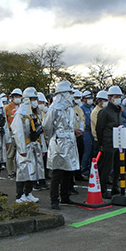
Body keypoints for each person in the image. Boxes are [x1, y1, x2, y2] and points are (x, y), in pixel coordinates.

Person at [43, 80, 79, 210]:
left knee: (69, 170)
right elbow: (47, 126)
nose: (70, 94)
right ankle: (54, 200)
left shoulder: (70, 108)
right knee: (57, 172)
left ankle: (65, 196)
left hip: (69, 140)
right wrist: (52, 137)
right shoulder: (53, 108)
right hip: (58, 141)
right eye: (69, 92)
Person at [11, 87, 45, 203]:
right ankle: (19, 195)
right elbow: (17, 131)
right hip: (25, 146)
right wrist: (21, 148)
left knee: (33, 171)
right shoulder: (20, 114)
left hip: (35, 146)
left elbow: (40, 131)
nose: (35, 101)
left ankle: (28, 192)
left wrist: (43, 148)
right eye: (32, 99)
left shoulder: (36, 114)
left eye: (36, 98)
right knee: (22, 171)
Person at [96, 86, 123, 199]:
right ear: (110, 98)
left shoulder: (118, 111)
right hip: (108, 142)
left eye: (119, 97)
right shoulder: (105, 112)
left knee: (118, 166)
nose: (118, 99)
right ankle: (102, 189)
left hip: (118, 142)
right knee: (106, 167)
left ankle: (115, 187)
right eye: (116, 97)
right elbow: (99, 128)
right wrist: (101, 144)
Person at [4, 88, 22, 179]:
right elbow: (5, 121)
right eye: (15, 96)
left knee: (18, 153)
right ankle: (10, 171)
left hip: (20, 132)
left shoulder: (22, 107)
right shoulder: (7, 108)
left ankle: (17, 170)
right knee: (10, 154)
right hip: (11, 132)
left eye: (19, 96)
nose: (17, 98)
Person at [80, 90, 95, 179]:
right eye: (88, 98)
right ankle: (84, 170)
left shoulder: (92, 107)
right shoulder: (82, 108)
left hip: (92, 130)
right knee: (87, 150)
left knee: (93, 150)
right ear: (84, 99)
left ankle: (91, 169)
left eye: (91, 98)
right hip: (86, 130)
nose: (90, 100)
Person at [72, 90, 85, 185]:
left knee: (79, 155)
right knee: (73, 158)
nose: (78, 100)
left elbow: (82, 120)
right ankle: (71, 178)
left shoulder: (79, 109)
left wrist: (81, 129)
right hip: (72, 136)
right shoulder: (69, 109)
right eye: (76, 98)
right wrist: (74, 131)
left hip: (80, 135)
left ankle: (78, 174)